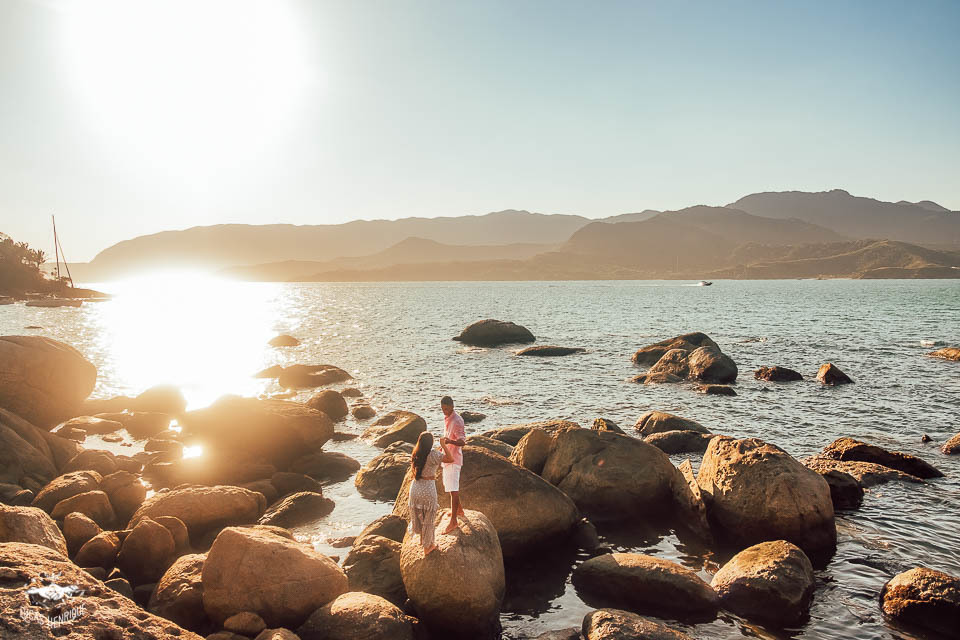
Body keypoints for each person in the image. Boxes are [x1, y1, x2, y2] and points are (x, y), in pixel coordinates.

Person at [408, 431, 453, 554]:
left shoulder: (416, 453)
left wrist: (438, 452)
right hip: (428, 488)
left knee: (419, 514)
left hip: (415, 488)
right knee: (429, 518)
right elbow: (450, 459)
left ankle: (423, 540)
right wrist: (444, 446)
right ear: (431, 443)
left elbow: (428, 459)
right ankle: (428, 547)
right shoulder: (433, 455)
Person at [439, 395, 466, 534]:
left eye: (447, 408)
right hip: (448, 458)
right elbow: (449, 437)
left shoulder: (457, 420)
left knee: (453, 490)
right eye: (443, 409)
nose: (444, 411)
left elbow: (462, 441)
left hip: (454, 459)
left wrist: (450, 442)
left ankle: (454, 521)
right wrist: (443, 446)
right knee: (450, 488)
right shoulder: (448, 418)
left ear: (452, 406)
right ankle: (459, 510)